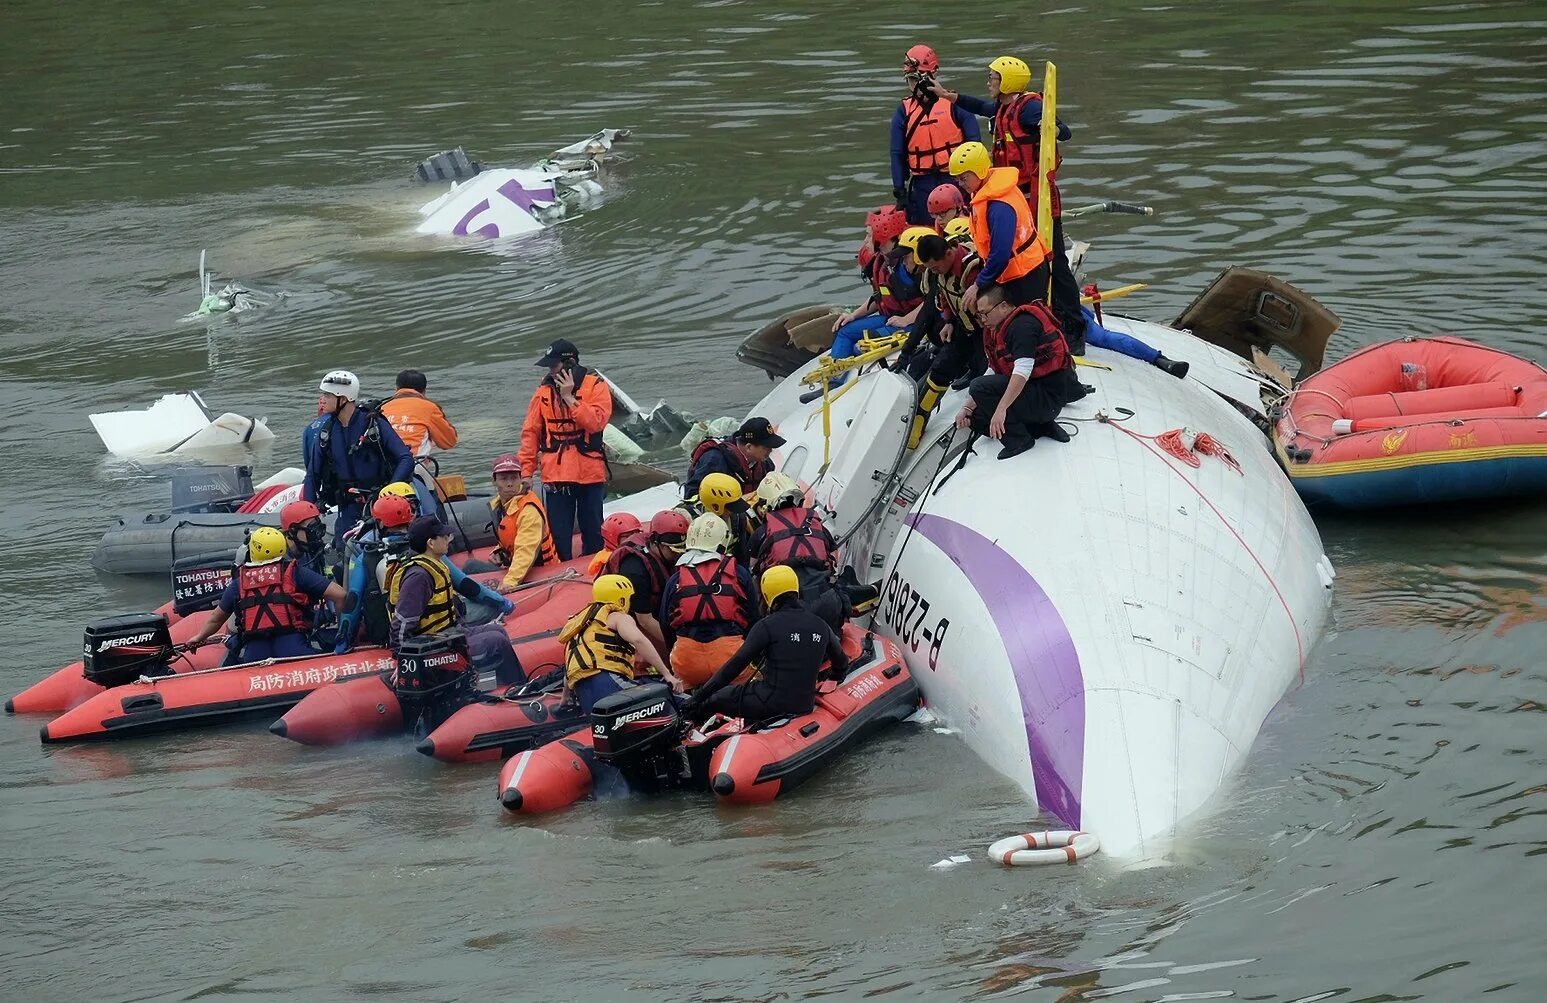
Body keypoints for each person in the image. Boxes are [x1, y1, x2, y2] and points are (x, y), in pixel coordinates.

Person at [930, 57, 1085, 344]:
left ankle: (1074, 326)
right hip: (1020, 198)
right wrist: (948, 96)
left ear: (1009, 81)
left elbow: (1063, 132)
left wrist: (1046, 127)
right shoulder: (1005, 108)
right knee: (1033, 259)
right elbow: (983, 108)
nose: (989, 81)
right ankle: (1041, 313)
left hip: (1038, 198)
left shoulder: (1029, 109)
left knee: (1056, 262)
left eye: (993, 77)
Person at [336, 495, 512, 653]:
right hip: (424, 636)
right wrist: (502, 602)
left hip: (383, 633)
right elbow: (467, 586)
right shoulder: (426, 551)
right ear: (410, 517)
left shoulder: (366, 557)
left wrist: (343, 642)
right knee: (487, 608)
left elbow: (353, 600)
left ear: (380, 523)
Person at [679, 566, 850, 722]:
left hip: (768, 703)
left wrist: (697, 698)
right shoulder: (821, 625)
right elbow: (841, 664)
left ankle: (689, 728)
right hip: (804, 705)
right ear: (796, 589)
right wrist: (831, 679)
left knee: (717, 697)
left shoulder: (766, 626)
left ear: (767, 595)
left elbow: (732, 669)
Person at [389, 516, 524, 685]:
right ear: (431, 543)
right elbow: (400, 624)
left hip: (448, 635)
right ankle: (513, 686)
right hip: (431, 645)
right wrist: (404, 661)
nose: (448, 539)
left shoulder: (435, 565)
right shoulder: (419, 577)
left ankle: (503, 685)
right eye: (443, 536)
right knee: (496, 641)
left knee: (499, 631)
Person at [181, 527, 347, 665]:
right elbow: (340, 595)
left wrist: (198, 637)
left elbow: (216, 619)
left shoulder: (239, 583)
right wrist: (343, 631)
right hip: (294, 649)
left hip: (255, 654)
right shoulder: (296, 573)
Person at [957, 284, 1084, 459]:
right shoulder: (998, 330)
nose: (983, 320)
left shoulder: (1022, 326)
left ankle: (1019, 440)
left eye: (985, 313)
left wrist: (1001, 409)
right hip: (1037, 394)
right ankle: (1040, 426)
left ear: (1003, 306)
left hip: (1049, 398)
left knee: (978, 387)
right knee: (976, 415)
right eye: (979, 316)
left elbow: (1023, 370)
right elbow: (994, 368)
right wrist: (968, 406)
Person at [518, 339, 613, 561]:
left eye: (554, 366)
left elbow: (596, 422)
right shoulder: (543, 391)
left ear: (570, 363)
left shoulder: (596, 386)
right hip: (556, 474)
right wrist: (526, 472)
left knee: (593, 534)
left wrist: (570, 398)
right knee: (559, 537)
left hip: (589, 472)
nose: (551, 372)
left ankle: (594, 575)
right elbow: (530, 433)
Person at [303, 370, 415, 550]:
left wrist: (389, 492)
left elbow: (405, 458)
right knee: (344, 552)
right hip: (348, 506)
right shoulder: (326, 432)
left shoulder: (373, 424)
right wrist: (307, 515)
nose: (323, 399)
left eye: (328, 395)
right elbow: (312, 475)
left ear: (343, 398)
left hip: (381, 501)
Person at [901, 232, 988, 447]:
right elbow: (945, 298)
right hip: (962, 329)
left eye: (935, 267)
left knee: (984, 374)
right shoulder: (941, 273)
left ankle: (983, 419)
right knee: (940, 369)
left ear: (949, 254)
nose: (933, 271)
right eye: (930, 268)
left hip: (985, 331)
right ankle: (918, 423)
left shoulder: (971, 270)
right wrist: (948, 320)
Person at [946, 142, 1051, 319]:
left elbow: (1001, 253)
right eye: (957, 179)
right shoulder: (984, 191)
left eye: (963, 178)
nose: (960, 183)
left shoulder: (999, 206)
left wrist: (978, 284)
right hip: (1011, 272)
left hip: (1026, 274)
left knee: (1027, 325)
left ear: (979, 171)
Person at [658, 513, 756, 690]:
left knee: (685, 698)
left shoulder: (676, 578)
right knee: (752, 685)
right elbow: (754, 618)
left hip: (687, 659)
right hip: (730, 657)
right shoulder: (739, 573)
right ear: (723, 541)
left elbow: (665, 623)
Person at [559, 574, 682, 715]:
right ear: (622, 599)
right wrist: (667, 674)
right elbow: (638, 640)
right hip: (607, 683)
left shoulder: (580, 623)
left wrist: (565, 696)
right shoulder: (618, 617)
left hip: (585, 693)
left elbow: (572, 664)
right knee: (671, 700)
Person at [827, 207, 922, 385]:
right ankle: (834, 383)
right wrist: (853, 315)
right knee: (844, 331)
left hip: (914, 323)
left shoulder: (911, 262)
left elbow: (934, 299)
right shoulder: (882, 261)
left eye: (869, 235)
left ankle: (856, 382)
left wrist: (907, 319)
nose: (865, 240)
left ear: (883, 235)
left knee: (859, 346)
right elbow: (879, 296)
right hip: (892, 318)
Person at [890, 44, 981, 226]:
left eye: (917, 79)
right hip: (923, 183)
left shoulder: (954, 104)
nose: (914, 85)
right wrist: (900, 191)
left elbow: (975, 144)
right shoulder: (904, 112)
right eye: (910, 80)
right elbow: (897, 153)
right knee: (928, 230)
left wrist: (975, 181)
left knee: (962, 227)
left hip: (957, 180)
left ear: (933, 75)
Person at [748, 473, 849, 633]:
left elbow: (753, 572)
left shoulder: (761, 533)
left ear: (765, 505)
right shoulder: (817, 525)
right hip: (826, 602)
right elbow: (833, 556)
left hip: (787, 610)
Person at [603, 509, 688, 653]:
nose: (677, 555)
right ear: (656, 543)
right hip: (634, 617)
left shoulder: (667, 554)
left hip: (658, 607)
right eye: (673, 550)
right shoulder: (636, 570)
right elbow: (644, 620)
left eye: (681, 550)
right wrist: (677, 645)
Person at [472, 453, 559, 591]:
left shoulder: (528, 510)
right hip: (515, 565)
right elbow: (510, 534)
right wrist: (498, 551)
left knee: (470, 569)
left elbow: (526, 551)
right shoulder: (502, 505)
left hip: (540, 571)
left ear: (520, 479)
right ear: (494, 481)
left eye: (514, 478)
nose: (509, 483)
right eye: (503, 478)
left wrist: (509, 583)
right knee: (471, 567)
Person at [683, 416, 785, 498]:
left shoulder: (765, 465)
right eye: (766, 447)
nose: (771, 450)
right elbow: (691, 493)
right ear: (749, 447)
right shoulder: (715, 460)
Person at [381, 369, 459, 458]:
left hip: (379, 467)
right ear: (424, 391)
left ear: (396, 389)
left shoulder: (382, 407)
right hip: (413, 464)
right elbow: (449, 442)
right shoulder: (429, 407)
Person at [278, 500, 328, 576]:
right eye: (311, 529)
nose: (316, 536)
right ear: (292, 532)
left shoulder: (310, 551)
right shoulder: (281, 565)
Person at [587, 512, 643, 577]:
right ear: (611, 538)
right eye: (627, 536)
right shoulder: (608, 561)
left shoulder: (644, 548)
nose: (633, 539)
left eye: (636, 534)